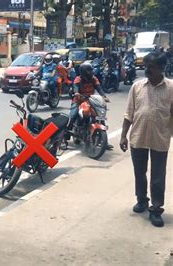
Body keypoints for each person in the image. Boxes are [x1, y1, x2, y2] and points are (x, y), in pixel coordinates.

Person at [120, 51, 173, 228]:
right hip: (138, 136)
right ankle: (142, 200)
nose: (147, 69)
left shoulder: (171, 88)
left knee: (158, 176)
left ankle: (156, 208)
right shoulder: (137, 87)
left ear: (162, 68)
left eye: (152, 67)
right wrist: (123, 136)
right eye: (146, 66)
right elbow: (129, 113)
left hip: (160, 138)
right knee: (139, 173)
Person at [68, 63, 110, 130]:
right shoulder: (78, 79)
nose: (91, 72)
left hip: (91, 99)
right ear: (83, 71)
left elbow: (99, 88)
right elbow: (75, 86)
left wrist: (104, 96)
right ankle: (67, 132)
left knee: (99, 112)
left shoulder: (94, 78)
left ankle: (102, 123)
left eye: (91, 70)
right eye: (89, 71)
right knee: (73, 115)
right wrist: (76, 93)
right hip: (79, 100)